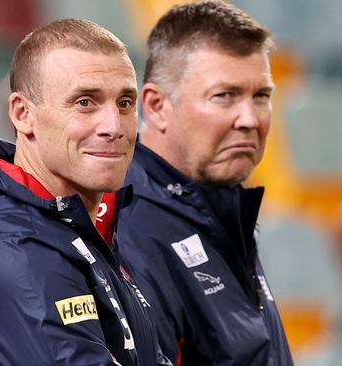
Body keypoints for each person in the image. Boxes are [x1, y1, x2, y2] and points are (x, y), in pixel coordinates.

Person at [0, 18, 170, 366]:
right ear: (23, 114)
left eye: (125, 103)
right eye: (85, 102)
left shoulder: (79, 228)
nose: (114, 126)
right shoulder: (19, 250)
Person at [116, 1, 293, 365]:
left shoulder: (219, 208)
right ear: (157, 106)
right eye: (224, 96)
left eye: (261, 96)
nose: (249, 119)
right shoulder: (126, 228)